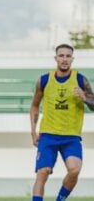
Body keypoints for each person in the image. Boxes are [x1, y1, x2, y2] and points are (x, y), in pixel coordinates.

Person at [30, 43, 94, 201]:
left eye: (68, 56)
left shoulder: (80, 80)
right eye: (61, 56)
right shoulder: (44, 80)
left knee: (74, 170)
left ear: (72, 59)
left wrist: (85, 98)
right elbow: (34, 105)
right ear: (56, 58)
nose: (64, 59)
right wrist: (33, 131)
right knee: (42, 172)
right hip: (48, 135)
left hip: (71, 136)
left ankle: (60, 199)